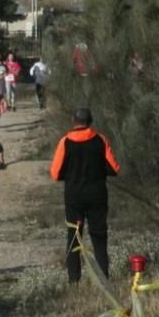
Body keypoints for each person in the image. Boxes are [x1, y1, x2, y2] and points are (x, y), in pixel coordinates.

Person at [49, 108, 120, 283]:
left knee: (73, 237)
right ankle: (103, 278)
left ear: (73, 120)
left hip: (74, 197)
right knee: (99, 236)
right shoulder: (100, 140)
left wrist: (70, 173)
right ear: (91, 121)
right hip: (97, 195)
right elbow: (115, 168)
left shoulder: (65, 142)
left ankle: (74, 280)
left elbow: (55, 173)